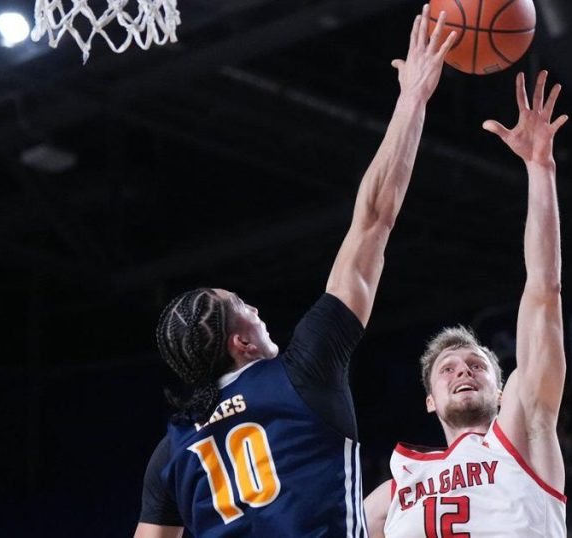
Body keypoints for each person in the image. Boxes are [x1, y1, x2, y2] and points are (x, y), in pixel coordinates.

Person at [134, 7, 457, 537]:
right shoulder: (304, 368)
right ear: (240, 342)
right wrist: (413, 98)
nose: (259, 311)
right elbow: (374, 219)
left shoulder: (172, 447)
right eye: (246, 306)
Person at [364, 71, 570, 537]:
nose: (463, 371)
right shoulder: (396, 487)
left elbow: (543, 290)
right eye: (449, 369)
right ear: (430, 402)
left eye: (476, 364)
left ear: (502, 391)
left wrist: (541, 169)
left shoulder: (521, 433)